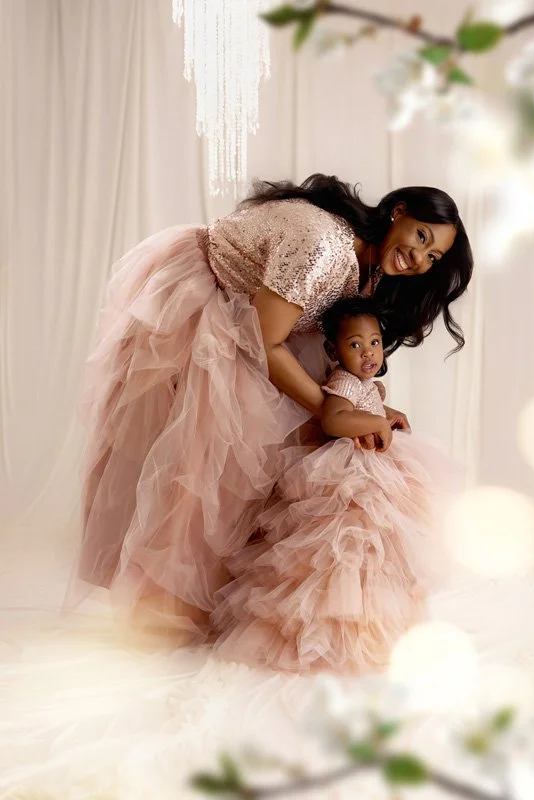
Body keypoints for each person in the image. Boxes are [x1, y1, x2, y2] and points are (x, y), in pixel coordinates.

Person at [74, 174, 473, 640]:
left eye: (433, 258)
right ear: (399, 211)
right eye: (422, 238)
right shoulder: (323, 247)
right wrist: (334, 412)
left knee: (278, 449)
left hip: (264, 321)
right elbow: (263, 341)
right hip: (211, 303)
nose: (419, 259)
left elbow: (319, 345)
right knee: (204, 459)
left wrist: (361, 403)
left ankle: (248, 595)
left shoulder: (372, 268)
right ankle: (174, 604)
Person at [211, 297, 459, 674]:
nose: (367, 352)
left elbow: (365, 408)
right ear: (334, 350)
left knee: (378, 551)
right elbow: (335, 418)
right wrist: (373, 424)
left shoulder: (367, 384)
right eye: (354, 345)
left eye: (374, 342)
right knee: (345, 547)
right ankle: (333, 627)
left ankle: (374, 621)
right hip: (348, 472)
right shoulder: (343, 380)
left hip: (373, 469)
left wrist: (387, 415)